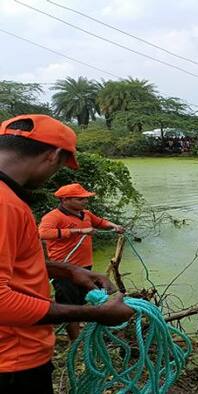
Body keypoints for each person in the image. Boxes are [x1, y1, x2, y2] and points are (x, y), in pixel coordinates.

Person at [0, 114, 133, 393]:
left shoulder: (10, 200)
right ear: (53, 155)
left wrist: (70, 270)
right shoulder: (6, 205)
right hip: (13, 361)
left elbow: (14, 261)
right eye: (61, 165)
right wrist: (95, 314)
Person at [38, 183, 125, 341]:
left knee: (95, 298)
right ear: (65, 200)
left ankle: (102, 334)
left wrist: (114, 226)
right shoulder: (53, 216)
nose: (85, 201)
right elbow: (43, 233)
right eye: (80, 199)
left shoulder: (85, 214)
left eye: (86, 198)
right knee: (70, 307)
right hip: (64, 270)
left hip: (86, 268)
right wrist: (78, 231)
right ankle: (75, 343)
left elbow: (100, 222)